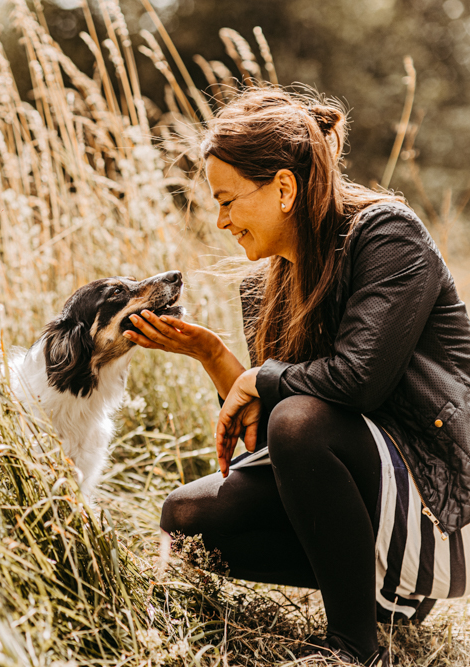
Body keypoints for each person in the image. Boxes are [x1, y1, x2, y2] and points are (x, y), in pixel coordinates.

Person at [122, 88, 470, 667]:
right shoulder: (263, 285)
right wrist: (213, 355)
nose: (221, 219)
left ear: (284, 188)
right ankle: (371, 601)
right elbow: (277, 445)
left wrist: (260, 378)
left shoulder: (386, 235)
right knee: (185, 516)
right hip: (368, 510)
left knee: (300, 418)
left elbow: (356, 383)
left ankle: (351, 649)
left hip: (443, 514)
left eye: (229, 200)